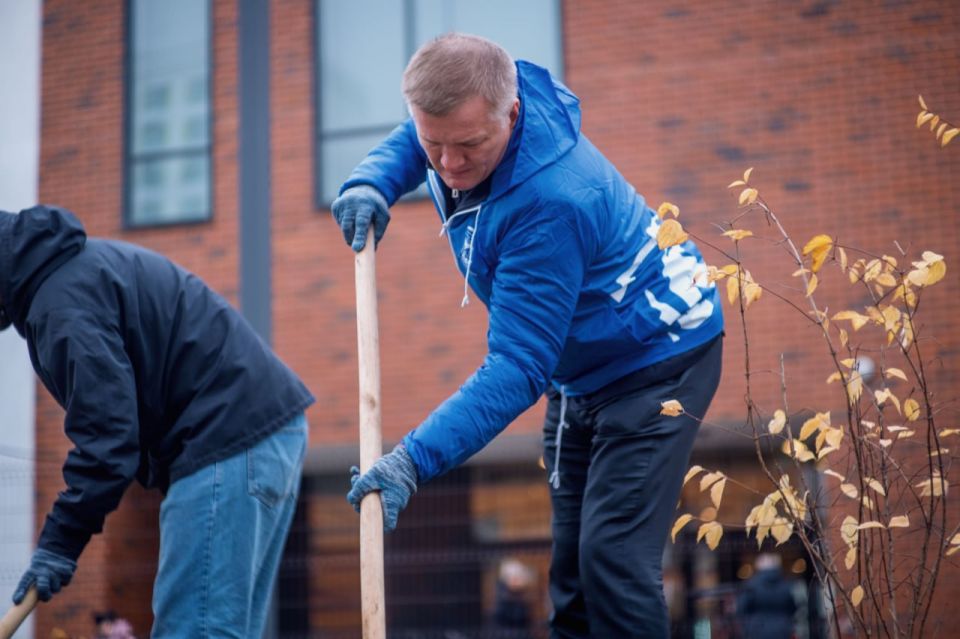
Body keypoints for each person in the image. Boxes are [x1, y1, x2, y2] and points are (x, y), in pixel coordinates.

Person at [337, 34, 723, 637]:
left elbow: (518, 366)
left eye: (468, 146)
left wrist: (412, 459)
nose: (449, 165)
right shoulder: (463, 114)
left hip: (660, 354)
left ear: (511, 113)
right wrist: (371, 182)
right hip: (581, 360)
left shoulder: (551, 201)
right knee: (570, 572)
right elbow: (421, 137)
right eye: (433, 145)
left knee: (613, 564)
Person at [1, 205, 314, 638]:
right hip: (257, 432)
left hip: (224, 436)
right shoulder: (70, 276)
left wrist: (59, 542)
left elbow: (109, 440)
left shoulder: (62, 307)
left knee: (194, 629)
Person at [736, 553, 798, 639]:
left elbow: (741, 608)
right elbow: (793, 608)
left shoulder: (752, 585)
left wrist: (748, 625)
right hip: (782, 630)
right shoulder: (785, 586)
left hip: (757, 630)